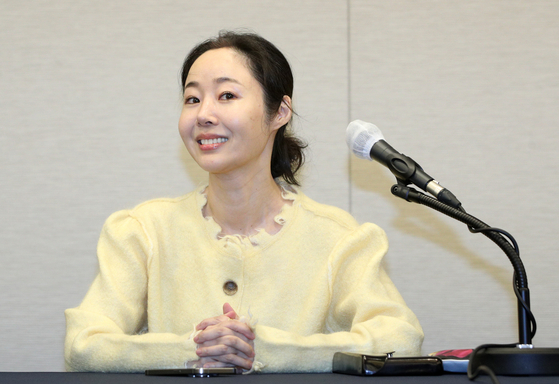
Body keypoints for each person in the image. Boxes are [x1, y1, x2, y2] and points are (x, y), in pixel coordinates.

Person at [64, 30, 423, 373]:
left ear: (279, 113)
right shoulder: (142, 231)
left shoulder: (339, 238)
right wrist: (193, 349)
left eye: (226, 96)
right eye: (192, 99)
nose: (203, 114)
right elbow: (84, 345)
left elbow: (400, 338)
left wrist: (266, 350)